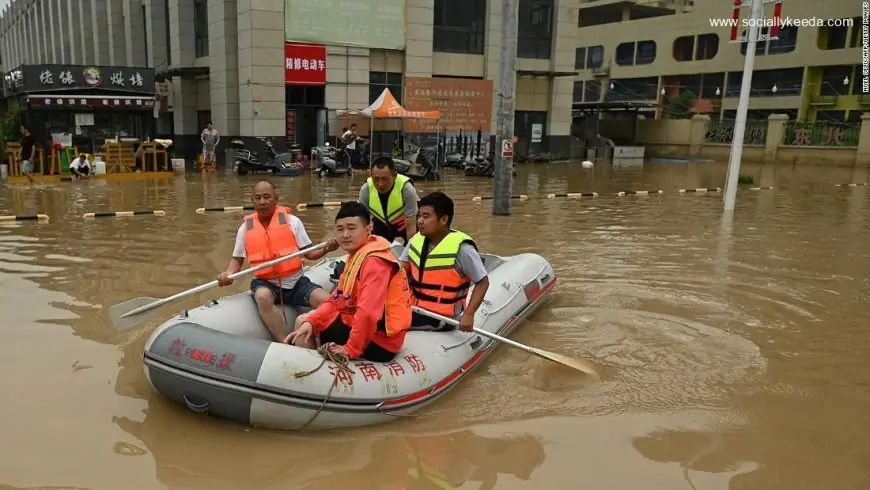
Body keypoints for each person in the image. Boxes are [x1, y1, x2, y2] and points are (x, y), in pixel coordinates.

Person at [286, 202, 412, 362]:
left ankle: (311, 371)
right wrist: (313, 322)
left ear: (368, 230)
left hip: (380, 342)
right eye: (340, 229)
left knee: (302, 321)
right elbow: (337, 299)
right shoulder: (357, 255)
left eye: (351, 228)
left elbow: (368, 313)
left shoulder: (374, 263)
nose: (345, 235)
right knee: (307, 322)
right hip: (371, 331)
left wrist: (351, 349)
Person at [217, 180, 338, 342]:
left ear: (276, 198)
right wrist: (229, 274)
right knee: (262, 296)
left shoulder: (292, 222)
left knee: (327, 301)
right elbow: (237, 259)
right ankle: (283, 341)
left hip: (296, 282)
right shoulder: (244, 229)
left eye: (267, 197)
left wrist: (326, 249)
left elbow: (310, 254)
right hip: (265, 282)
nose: (262, 202)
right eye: (258, 198)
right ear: (252, 201)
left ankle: (328, 337)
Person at [400, 192, 489, 332]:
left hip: (441, 317)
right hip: (414, 308)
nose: (419, 221)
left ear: (443, 220)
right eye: (419, 215)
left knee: (386, 321)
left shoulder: (463, 249)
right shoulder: (415, 241)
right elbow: (399, 272)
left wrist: (469, 314)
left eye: (426, 216)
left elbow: (483, 282)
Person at [358, 156, 418, 243]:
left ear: (394, 176)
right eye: (376, 179)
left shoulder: (407, 189)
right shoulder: (365, 190)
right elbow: (362, 225)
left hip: (403, 223)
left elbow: (411, 228)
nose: (380, 184)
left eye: (385, 179)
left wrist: (410, 253)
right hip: (381, 223)